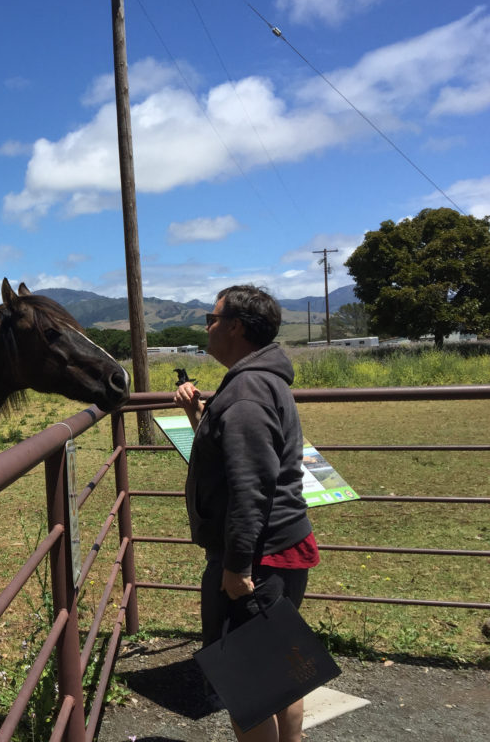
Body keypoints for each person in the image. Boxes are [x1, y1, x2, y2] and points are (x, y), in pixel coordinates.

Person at [173, 285, 319, 742]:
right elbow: (241, 461)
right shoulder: (258, 381)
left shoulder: (246, 392)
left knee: (246, 687)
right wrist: (202, 418)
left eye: (212, 320)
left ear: (235, 326)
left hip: (257, 558)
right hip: (278, 549)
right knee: (279, 671)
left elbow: (251, 489)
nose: (208, 329)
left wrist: (236, 568)